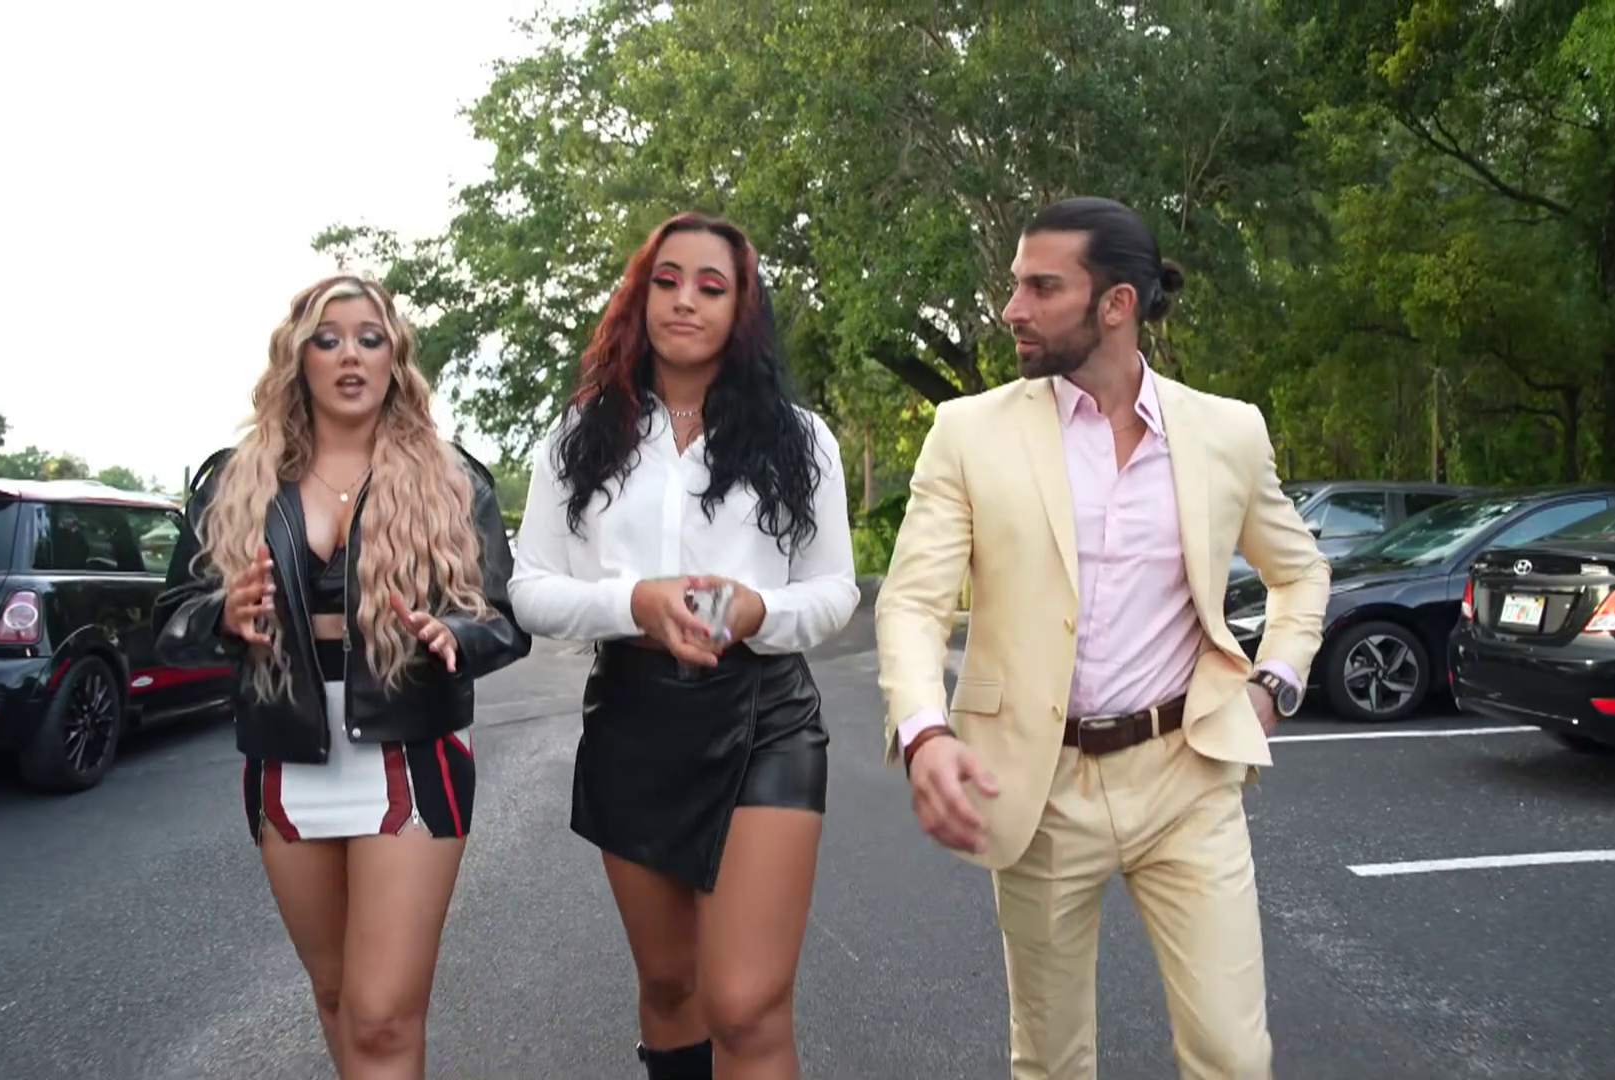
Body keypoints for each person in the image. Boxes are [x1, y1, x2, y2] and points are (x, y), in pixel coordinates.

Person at [873, 197, 1330, 1080]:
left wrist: (1275, 683)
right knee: (1051, 1063)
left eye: (1041, 288)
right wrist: (925, 731)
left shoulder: (1227, 433)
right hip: (1038, 786)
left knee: (1234, 1057)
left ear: (1117, 304)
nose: (1012, 309)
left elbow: (1300, 571)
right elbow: (912, 603)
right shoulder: (968, 433)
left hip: (1187, 776)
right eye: (1016, 285)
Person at [152, 273, 531, 1079]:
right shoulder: (234, 479)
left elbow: (504, 618)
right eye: (328, 340)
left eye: (369, 338)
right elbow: (172, 620)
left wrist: (454, 632)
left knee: (383, 1015)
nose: (350, 356)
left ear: (396, 357)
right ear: (299, 359)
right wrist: (224, 614)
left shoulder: (452, 478)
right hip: (285, 754)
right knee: (335, 998)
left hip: (410, 751)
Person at [508, 212, 858, 1080]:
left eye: (711, 285)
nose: (685, 301)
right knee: (670, 985)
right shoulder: (580, 436)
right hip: (633, 720)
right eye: (666, 281)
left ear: (743, 308)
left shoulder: (800, 439)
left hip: (766, 719)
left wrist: (756, 612)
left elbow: (834, 592)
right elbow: (530, 590)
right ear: (640, 298)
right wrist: (634, 602)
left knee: (744, 1002)